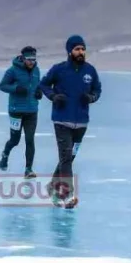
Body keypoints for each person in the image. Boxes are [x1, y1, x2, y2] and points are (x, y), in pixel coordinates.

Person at [39, 35, 102, 209]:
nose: (81, 52)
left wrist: (91, 97)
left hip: (81, 122)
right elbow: (43, 84)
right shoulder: (59, 70)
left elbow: (97, 89)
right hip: (61, 120)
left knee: (68, 158)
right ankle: (67, 195)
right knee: (66, 157)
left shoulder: (90, 71)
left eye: (83, 49)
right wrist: (53, 96)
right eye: (77, 49)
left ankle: (52, 187)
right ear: (69, 51)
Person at [0, 46, 42, 179]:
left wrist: (39, 92)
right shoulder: (12, 71)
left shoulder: (36, 71)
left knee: (30, 139)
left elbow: (37, 85)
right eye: (29, 59)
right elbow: (2, 85)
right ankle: (5, 154)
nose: (31, 62)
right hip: (16, 111)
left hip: (32, 111)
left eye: (33, 59)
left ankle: (28, 169)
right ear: (23, 58)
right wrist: (16, 88)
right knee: (15, 140)